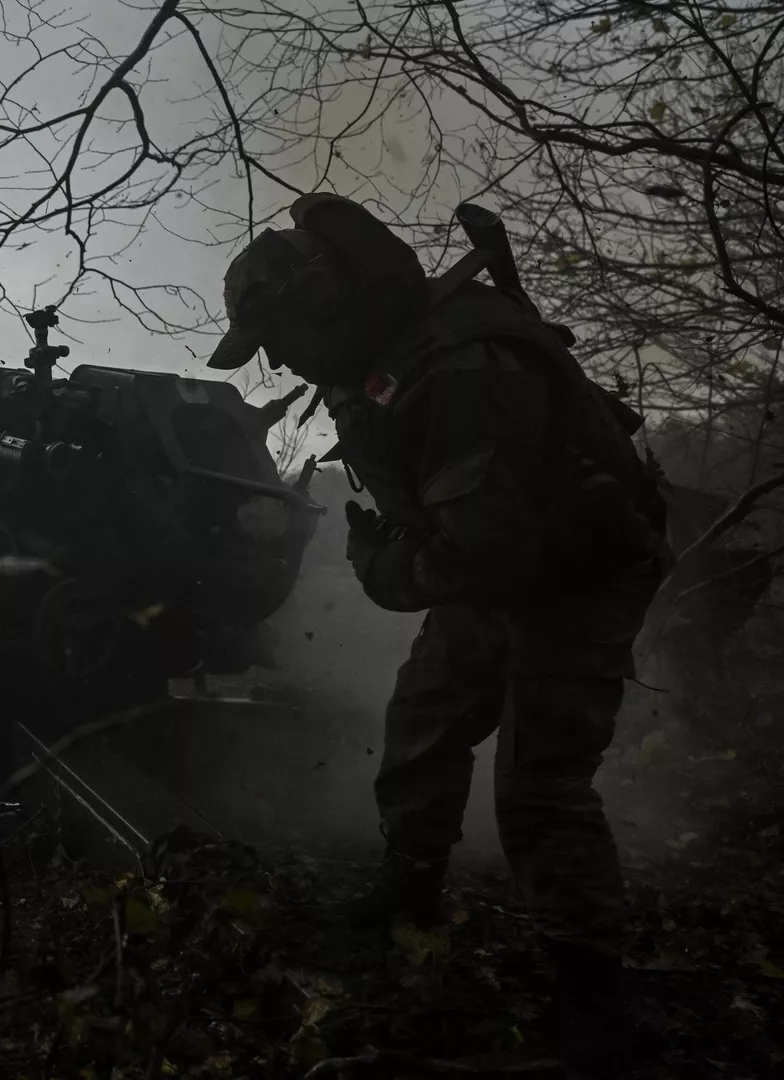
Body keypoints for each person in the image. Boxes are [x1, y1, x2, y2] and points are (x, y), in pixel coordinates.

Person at [205, 192, 670, 1078]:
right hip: (509, 558)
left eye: (279, 335)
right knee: (425, 715)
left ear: (322, 302)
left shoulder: (458, 370)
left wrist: (387, 572)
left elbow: (487, 550)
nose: (281, 359)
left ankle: (596, 1000)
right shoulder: (380, 358)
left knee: (539, 783)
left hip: (580, 574)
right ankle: (409, 887)